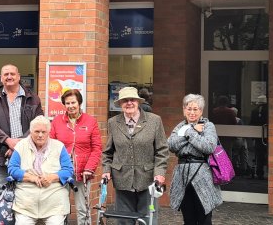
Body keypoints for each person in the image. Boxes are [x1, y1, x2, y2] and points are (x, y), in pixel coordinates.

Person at [101, 86, 169, 225]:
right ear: (120, 104)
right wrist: (106, 171)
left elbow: (162, 151)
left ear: (138, 102)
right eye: (125, 100)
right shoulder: (113, 123)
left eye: (132, 99)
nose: (129, 103)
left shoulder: (154, 121)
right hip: (122, 180)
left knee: (148, 220)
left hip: (148, 179)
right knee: (124, 221)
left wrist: (160, 173)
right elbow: (108, 152)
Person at [0, 64, 44, 201]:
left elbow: (39, 123)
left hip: (26, 155)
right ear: (1, 78)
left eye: (12, 74)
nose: (9, 77)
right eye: (5, 74)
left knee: (24, 195)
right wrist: (8, 141)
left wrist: (19, 143)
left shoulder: (33, 98)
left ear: (19, 76)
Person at [7, 116, 74, 225]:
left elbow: (68, 170)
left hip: (54, 202)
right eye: (37, 131)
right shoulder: (21, 146)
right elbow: (12, 168)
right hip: (26, 202)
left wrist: (52, 177)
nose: (40, 135)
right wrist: (30, 177)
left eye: (43, 132)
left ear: (48, 132)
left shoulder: (58, 146)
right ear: (31, 131)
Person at [167, 94, 222, 225]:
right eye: (189, 108)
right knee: (188, 219)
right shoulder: (180, 126)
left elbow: (208, 146)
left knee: (204, 219)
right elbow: (170, 144)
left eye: (195, 109)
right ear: (184, 110)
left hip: (202, 176)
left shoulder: (208, 126)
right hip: (183, 177)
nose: (192, 112)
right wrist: (191, 131)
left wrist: (188, 133)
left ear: (201, 111)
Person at [49, 89, 101, 225]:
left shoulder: (91, 121)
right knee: (60, 208)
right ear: (64, 105)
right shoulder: (56, 121)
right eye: (67, 103)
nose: (70, 106)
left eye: (73, 102)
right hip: (62, 171)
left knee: (83, 208)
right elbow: (51, 146)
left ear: (79, 103)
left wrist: (89, 168)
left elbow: (96, 148)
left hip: (83, 171)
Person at [249, 95, 268, 179]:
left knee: (259, 154)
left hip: (258, 137)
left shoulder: (254, 111)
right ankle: (268, 172)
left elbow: (251, 124)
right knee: (267, 154)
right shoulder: (268, 110)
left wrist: (253, 137)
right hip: (267, 136)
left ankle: (259, 172)